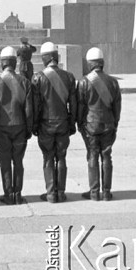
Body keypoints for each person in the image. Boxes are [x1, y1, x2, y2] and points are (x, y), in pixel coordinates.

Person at [32, 42, 77, 203]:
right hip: (63, 122)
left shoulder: (38, 78)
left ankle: (51, 193)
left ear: (49, 57)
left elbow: (36, 106)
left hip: (46, 124)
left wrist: (35, 125)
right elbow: (73, 104)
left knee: (48, 158)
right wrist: (72, 123)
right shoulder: (69, 77)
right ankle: (61, 192)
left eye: (43, 57)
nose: (42, 60)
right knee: (62, 157)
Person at [77, 47, 121, 201]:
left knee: (92, 156)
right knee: (107, 156)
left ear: (90, 64)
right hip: (108, 124)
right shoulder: (113, 82)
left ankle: (94, 192)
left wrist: (80, 123)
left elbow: (81, 106)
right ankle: (107, 193)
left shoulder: (83, 82)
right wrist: (115, 122)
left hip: (90, 126)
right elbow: (117, 107)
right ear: (102, 63)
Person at [0, 47, 33, 205]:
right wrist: (28, 129)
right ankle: (18, 194)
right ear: (15, 63)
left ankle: (8, 193)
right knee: (18, 161)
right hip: (20, 126)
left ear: (2, 63)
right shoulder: (25, 82)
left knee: (5, 162)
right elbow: (28, 110)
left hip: (1, 127)